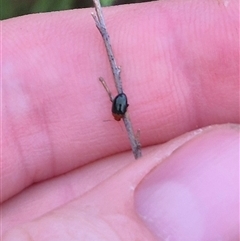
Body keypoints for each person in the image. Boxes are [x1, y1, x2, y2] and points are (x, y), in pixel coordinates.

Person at [2, 0, 239, 240]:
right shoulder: (118, 110)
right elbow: (120, 104)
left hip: (120, 98)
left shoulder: (118, 109)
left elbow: (120, 104)